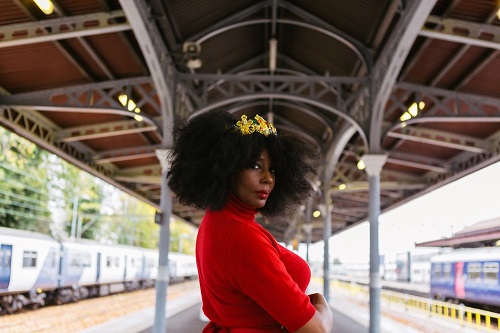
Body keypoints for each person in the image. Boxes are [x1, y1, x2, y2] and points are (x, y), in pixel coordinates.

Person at [167, 110, 333, 332]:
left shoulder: (216, 222)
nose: (269, 178)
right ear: (226, 167)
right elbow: (316, 330)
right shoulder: (242, 236)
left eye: (272, 169)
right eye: (256, 165)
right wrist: (323, 307)